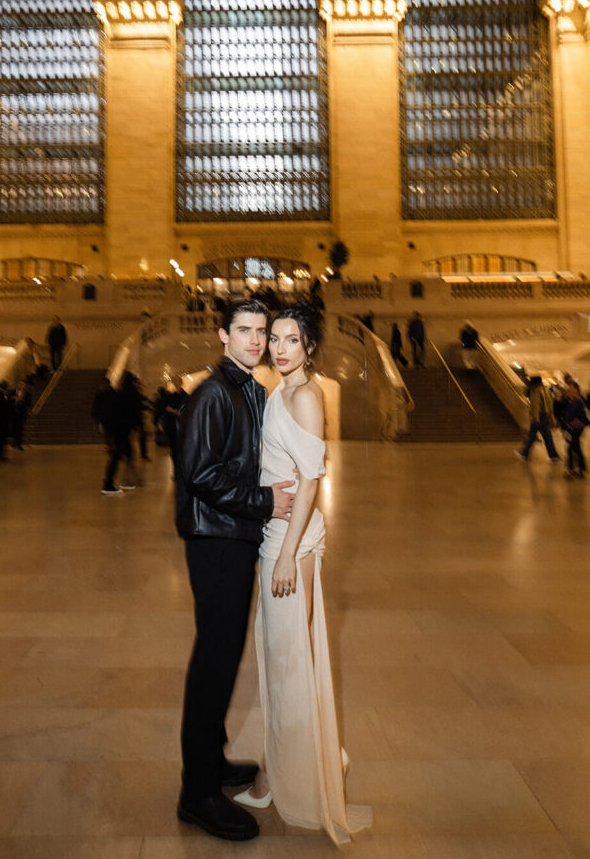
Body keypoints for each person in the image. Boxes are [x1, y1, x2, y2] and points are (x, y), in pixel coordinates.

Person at [234, 304, 372, 844]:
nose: (280, 348)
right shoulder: (280, 390)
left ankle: (282, 775)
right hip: (277, 537)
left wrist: (290, 554)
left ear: (310, 346)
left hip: (291, 543)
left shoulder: (307, 397)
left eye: (292, 340)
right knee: (282, 657)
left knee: (288, 660)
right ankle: (308, 757)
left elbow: (312, 482)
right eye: (276, 338)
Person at [175, 298, 294, 842]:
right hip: (216, 540)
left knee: (223, 659)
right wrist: (265, 501)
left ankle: (212, 762)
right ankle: (196, 793)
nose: (255, 340)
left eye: (261, 331)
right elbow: (200, 474)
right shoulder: (213, 393)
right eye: (243, 330)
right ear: (223, 335)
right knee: (214, 662)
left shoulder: (249, 389)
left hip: (234, 534)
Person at [92, 376, 136, 495]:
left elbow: (98, 412)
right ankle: (109, 484)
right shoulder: (115, 395)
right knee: (118, 456)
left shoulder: (106, 395)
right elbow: (122, 414)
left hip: (113, 431)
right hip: (117, 432)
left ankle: (120, 481)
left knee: (121, 454)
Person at [515, 375, 561, 462]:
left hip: (539, 416)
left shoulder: (535, 391)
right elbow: (551, 404)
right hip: (546, 416)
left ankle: (524, 453)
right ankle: (553, 455)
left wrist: (535, 418)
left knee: (532, 436)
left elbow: (535, 405)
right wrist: (552, 417)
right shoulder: (547, 390)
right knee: (547, 437)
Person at [560, 381, 588, 478]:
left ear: (576, 391)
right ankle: (579, 469)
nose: (568, 392)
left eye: (570, 390)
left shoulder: (578, 402)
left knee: (572, 449)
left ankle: (573, 469)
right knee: (575, 448)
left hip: (575, 429)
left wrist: (571, 424)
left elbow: (582, 417)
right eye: (568, 390)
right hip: (571, 429)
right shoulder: (571, 401)